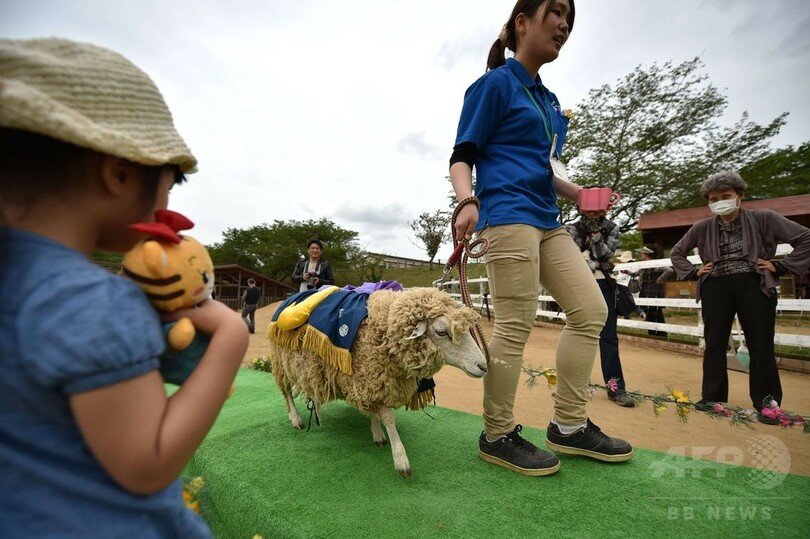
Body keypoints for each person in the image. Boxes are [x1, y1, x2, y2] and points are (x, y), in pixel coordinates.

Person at [0, 38, 249, 536]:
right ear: (117, 173)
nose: (167, 203)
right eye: (169, 185)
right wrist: (230, 337)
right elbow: (147, 462)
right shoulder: (94, 300)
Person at [449, 0, 632, 477]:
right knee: (516, 322)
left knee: (591, 310)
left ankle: (569, 425)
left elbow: (545, 170)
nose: (564, 24)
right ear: (522, 22)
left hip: (548, 219)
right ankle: (497, 434)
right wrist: (467, 201)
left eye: (570, 17)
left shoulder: (549, 102)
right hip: (507, 214)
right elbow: (463, 154)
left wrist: (580, 195)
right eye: (556, 12)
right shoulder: (495, 85)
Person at [670, 171, 810, 424]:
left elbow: (805, 238)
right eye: (714, 199)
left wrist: (781, 266)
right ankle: (711, 398)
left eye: (726, 196)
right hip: (715, 286)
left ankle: (767, 403)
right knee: (715, 343)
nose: (719, 202)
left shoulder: (764, 217)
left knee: (761, 343)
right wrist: (693, 272)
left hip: (755, 284)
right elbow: (677, 252)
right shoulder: (702, 226)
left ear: (740, 196)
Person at [567, 208, 636, 407]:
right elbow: (570, 257)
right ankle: (574, 386)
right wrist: (594, 264)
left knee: (609, 337)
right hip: (579, 284)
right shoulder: (572, 228)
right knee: (578, 333)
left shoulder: (611, 227)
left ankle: (616, 388)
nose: (594, 211)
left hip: (605, 285)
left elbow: (605, 254)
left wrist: (596, 235)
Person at [636, 244, 673, 337]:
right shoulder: (644, 266)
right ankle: (652, 334)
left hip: (654, 291)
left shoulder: (656, 264)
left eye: (643, 253)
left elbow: (669, 270)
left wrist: (660, 280)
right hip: (646, 291)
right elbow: (636, 273)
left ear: (647, 254)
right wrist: (627, 272)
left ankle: (662, 335)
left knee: (656, 313)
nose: (641, 254)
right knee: (649, 314)